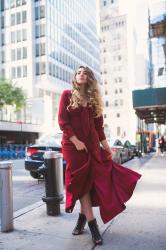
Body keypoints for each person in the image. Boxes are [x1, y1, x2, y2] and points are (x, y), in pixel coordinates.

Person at [58, 66, 141, 245]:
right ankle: (93, 226)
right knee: (82, 183)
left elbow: (99, 128)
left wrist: (106, 148)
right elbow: (63, 121)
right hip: (73, 147)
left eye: (85, 73)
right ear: (75, 77)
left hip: (92, 146)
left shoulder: (94, 101)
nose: (81, 74)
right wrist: (76, 141)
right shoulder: (66, 94)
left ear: (89, 79)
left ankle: (82, 221)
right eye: (78, 72)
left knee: (92, 183)